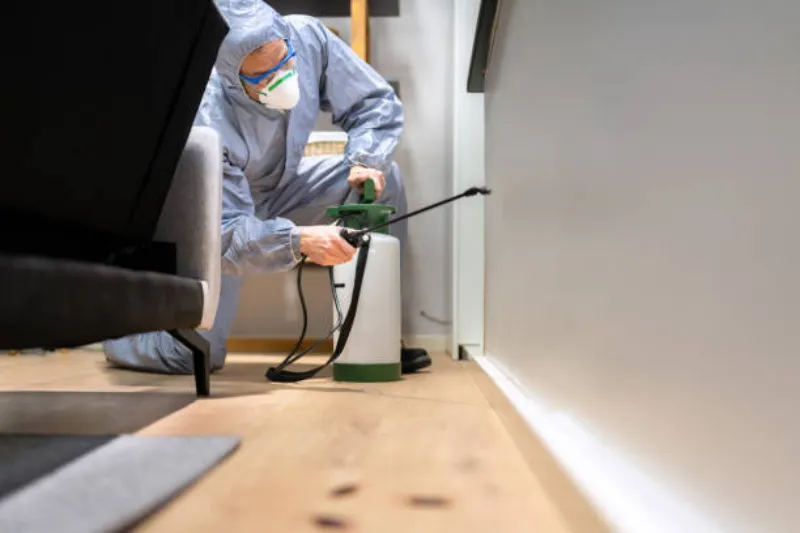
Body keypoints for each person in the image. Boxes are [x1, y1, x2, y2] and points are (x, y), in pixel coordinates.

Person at [103, 0, 431, 376]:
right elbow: (227, 235)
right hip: (223, 214)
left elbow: (372, 101)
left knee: (383, 183)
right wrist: (298, 240)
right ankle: (120, 337)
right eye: (262, 77)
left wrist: (365, 159)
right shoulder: (206, 114)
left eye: (285, 61)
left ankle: (376, 339)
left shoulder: (307, 38)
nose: (283, 78)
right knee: (193, 356)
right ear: (231, 79)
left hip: (284, 186)